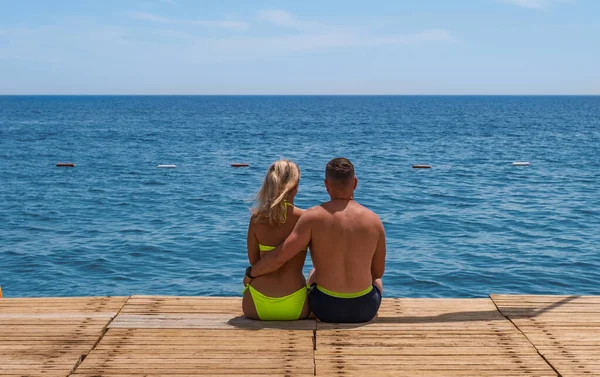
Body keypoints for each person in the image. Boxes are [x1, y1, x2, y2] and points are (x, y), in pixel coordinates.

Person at [245, 157, 385, 323]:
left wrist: (250, 273)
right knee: (377, 281)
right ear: (355, 183)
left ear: (326, 185)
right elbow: (377, 272)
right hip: (365, 309)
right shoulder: (374, 220)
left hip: (325, 308)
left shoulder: (312, 217)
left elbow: (279, 256)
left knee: (314, 273)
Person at [242, 159, 311, 320]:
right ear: (295, 187)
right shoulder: (305, 219)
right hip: (296, 305)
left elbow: (255, 261)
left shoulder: (256, 219)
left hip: (256, 305)